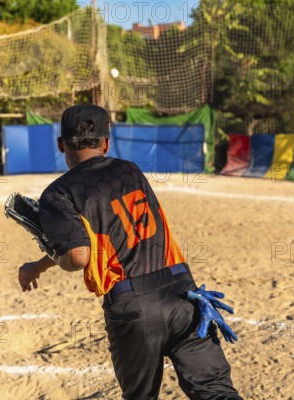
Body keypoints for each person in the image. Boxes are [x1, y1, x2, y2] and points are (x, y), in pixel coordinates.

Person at [17, 104, 241, 400]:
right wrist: (41, 263)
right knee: (216, 390)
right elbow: (114, 232)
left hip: (134, 307)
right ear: (106, 142)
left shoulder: (58, 193)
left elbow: (78, 256)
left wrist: (53, 249)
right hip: (183, 294)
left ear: (61, 145)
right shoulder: (130, 171)